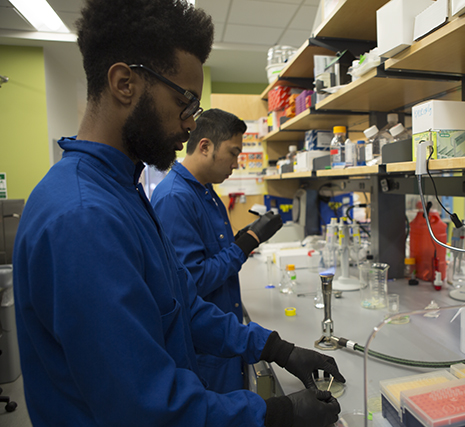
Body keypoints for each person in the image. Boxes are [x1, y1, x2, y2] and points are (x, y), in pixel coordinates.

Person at [12, 1, 343, 426]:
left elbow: (183, 303)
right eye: (185, 102)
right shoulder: (83, 218)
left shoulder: (122, 189)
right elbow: (145, 406)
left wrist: (276, 348)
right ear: (124, 83)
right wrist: (275, 412)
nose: (191, 125)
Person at [151, 108, 282, 393]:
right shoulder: (175, 198)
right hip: (205, 351)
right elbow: (194, 282)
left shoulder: (206, 191)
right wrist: (245, 244)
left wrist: (244, 239)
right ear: (205, 146)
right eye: (234, 153)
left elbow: (211, 255)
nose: (236, 163)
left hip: (225, 337)